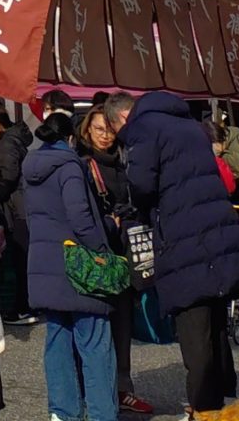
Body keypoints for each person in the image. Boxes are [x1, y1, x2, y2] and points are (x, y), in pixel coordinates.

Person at [114, 90, 239, 416]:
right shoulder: (190, 126)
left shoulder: (144, 127)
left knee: (194, 329)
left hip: (182, 235)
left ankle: (204, 408)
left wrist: (139, 209)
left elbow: (141, 184)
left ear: (124, 118)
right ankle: (226, 399)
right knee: (216, 322)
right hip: (216, 231)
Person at [24, 108, 121, 421]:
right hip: (77, 265)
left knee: (57, 339)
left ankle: (62, 412)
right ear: (69, 138)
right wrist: (102, 244)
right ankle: (102, 414)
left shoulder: (32, 168)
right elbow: (80, 217)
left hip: (45, 264)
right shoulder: (69, 166)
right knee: (95, 341)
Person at [77, 101, 149, 416]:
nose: (104, 136)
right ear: (87, 131)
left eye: (108, 130)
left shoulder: (124, 160)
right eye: (98, 130)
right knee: (96, 326)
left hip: (123, 251)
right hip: (98, 253)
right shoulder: (83, 164)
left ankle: (122, 388)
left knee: (122, 324)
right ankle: (95, 392)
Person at [0, 104, 35, 325]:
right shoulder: (16, 139)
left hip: (16, 206)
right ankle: (26, 304)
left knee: (19, 258)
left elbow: (8, 175)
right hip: (23, 203)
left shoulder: (7, 143)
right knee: (23, 258)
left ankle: (21, 308)